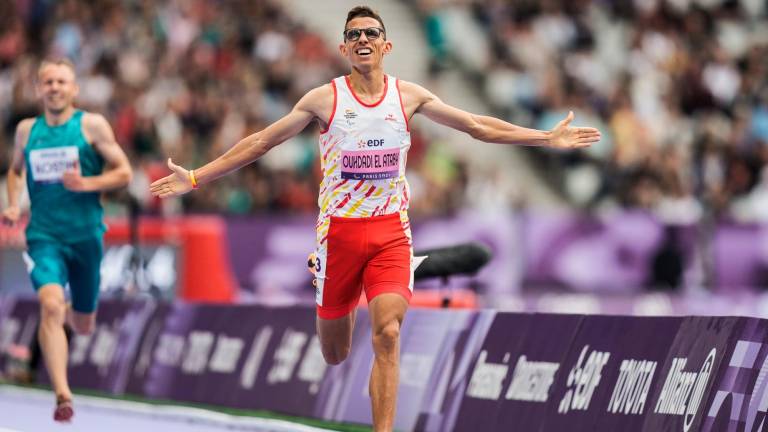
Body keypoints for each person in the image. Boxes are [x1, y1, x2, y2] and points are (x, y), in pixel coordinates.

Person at [150, 6, 600, 431]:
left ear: (386, 46)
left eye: (371, 33)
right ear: (344, 48)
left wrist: (545, 137)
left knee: (387, 331)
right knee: (336, 353)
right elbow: (261, 143)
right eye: (354, 35)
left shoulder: (409, 96)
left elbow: (477, 126)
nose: (363, 39)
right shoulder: (324, 99)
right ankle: (324, 278)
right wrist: (195, 176)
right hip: (339, 237)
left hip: (390, 233)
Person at [2, 58, 133, 422]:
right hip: (44, 236)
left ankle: (62, 336)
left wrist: (87, 184)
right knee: (51, 306)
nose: (55, 87)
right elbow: (14, 171)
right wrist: (13, 205)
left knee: (83, 323)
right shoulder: (27, 131)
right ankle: (62, 393)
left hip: (86, 238)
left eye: (61, 81)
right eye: (48, 82)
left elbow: (124, 172)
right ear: (39, 89)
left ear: (74, 89)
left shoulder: (91, 126)